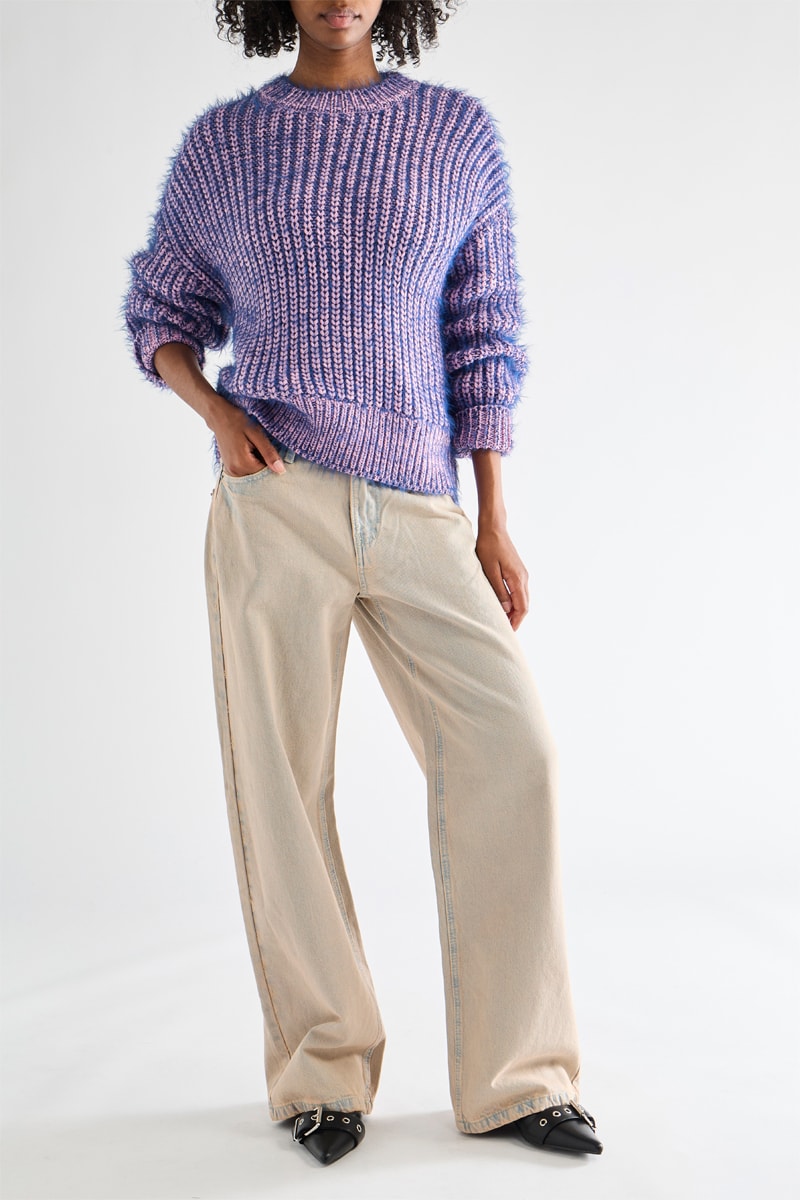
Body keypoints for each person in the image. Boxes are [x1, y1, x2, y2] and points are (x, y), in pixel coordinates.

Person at [121, 0, 603, 1168]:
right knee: (280, 784)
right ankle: (320, 1072)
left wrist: (493, 520)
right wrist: (217, 416)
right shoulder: (226, 145)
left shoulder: (454, 133)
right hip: (275, 498)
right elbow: (161, 314)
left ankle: (518, 1079)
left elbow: (482, 336)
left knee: (513, 753)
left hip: (421, 506)